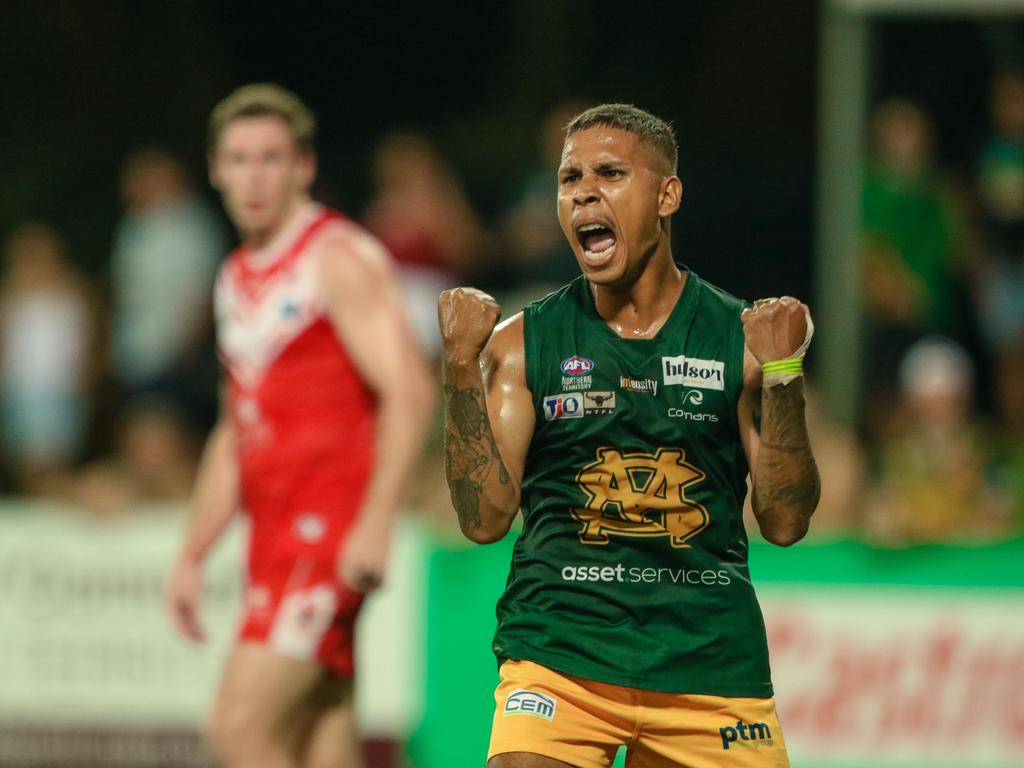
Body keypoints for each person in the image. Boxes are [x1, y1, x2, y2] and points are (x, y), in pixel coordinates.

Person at [439, 104, 820, 768]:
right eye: (568, 178)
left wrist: (785, 373)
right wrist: (458, 372)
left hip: (708, 665)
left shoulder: (744, 340)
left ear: (666, 195)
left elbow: (785, 521)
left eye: (609, 173)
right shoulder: (523, 344)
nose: (583, 191)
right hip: (562, 655)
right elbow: (483, 520)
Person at [164, 84, 434, 768]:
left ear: (304, 167)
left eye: (271, 159)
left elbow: (409, 390)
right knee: (322, 736)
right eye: (240, 160)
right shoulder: (233, 278)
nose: (254, 177)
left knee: (238, 729)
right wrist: (194, 552)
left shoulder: (336, 257)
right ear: (216, 170)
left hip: (327, 536)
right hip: (274, 538)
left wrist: (376, 519)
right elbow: (235, 429)